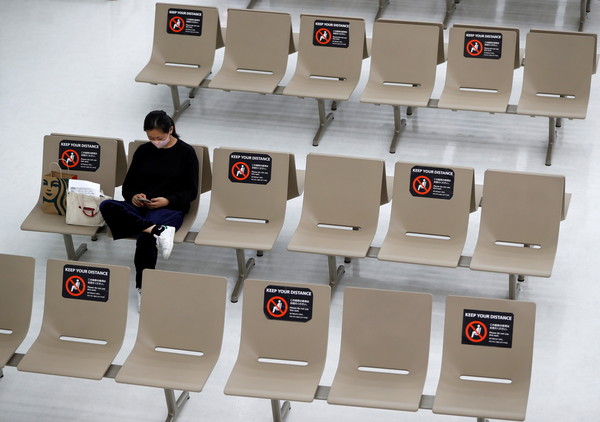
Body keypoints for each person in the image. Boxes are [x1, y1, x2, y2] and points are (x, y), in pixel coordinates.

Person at [100, 110, 199, 308]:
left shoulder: (186, 153)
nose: (155, 141)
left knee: (145, 239)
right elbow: (128, 187)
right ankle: (156, 229)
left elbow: (191, 192)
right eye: (151, 137)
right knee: (106, 205)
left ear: (171, 130)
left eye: (159, 137)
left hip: (169, 209)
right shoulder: (144, 151)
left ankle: (143, 288)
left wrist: (167, 201)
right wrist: (134, 197)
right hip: (142, 208)